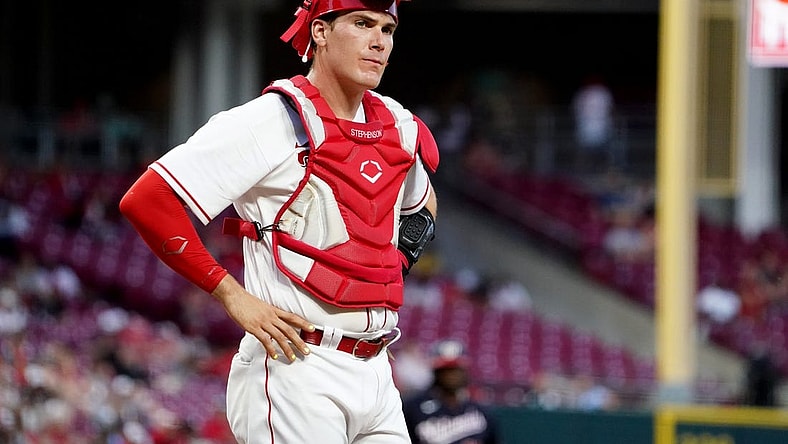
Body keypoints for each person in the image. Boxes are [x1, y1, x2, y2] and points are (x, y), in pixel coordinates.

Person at [118, 0, 439, 442]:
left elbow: (421, 206)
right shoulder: (269, 119)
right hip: (297, 366)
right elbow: (148, 199)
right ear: (321, 33)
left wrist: (392, 263)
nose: (378, 41)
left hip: (378, 370)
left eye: (387, 29)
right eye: (362, 24)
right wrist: (231, 294)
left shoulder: (397, 125)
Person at [402, 339, 501, 444]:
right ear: (436, 372)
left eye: (456, 369)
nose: (452, 375)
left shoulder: (481, 411)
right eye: (446, 370)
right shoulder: (413, 408)